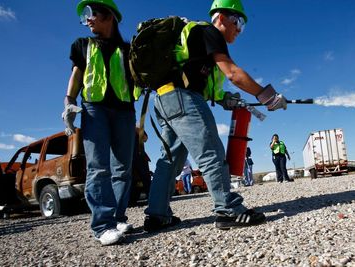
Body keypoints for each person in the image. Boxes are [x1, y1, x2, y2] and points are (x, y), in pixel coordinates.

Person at [143, 0, 288, 231]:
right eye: (237, 21)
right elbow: (232, 73)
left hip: (164, 99)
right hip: (183, 98)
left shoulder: (198, 39)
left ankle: (157, 215)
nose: (239, 29)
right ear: (221, 17)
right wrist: (267, 96)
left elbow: (200, 79)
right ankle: (228, 210)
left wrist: (223, 98)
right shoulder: (210, 32)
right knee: (211, 151)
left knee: (170, 160)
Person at [61, 0, 135, 245]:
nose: (88, 19)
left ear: (109, 16)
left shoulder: (127, 49)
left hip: (124, 110)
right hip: (94, 109)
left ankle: (117, 217)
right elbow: (77, 74)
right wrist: (69, 101)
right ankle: (102, 226)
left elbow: (140, 76)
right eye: (85, 16)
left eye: (92, 13)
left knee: (123, 168)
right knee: (98, 166)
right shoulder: (82, 44)